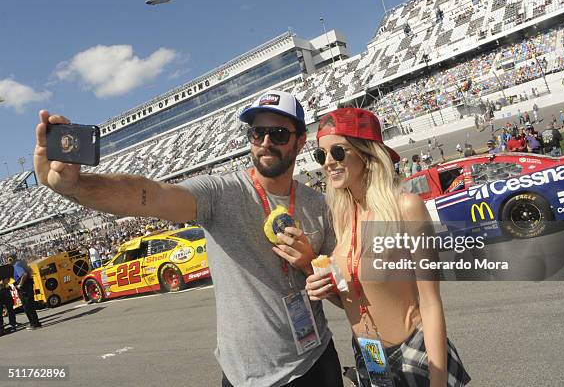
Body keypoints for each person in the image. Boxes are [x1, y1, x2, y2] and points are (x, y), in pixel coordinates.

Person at [34, 90, 343, 387]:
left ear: (300, 141)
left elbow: (343, 292)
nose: (265, 142)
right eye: (256, 132)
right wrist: (74, 185)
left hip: (315, 363)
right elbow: (149, 195)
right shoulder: (222, 193)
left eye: (278, 134)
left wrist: (308, 267)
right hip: (247, 377)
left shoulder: (318, 205)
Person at [305, 108, 470, 387]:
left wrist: (438, 381)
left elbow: (430, 303)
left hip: (415, 353)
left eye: (338, 152)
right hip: (370, 356)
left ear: (367, 153)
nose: (328, 162)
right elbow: (353, 296)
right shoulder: (341, 217)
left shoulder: (405, 208)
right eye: (321, 155)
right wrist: (324, 288)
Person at [7, 254, 41, 330]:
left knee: (27, 306)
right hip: (28, 284)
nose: (9, 261)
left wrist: (20, 285)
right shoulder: (21, 262)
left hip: (24, 287)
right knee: (30, 305)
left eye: (10, 259)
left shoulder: (16, 265)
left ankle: (34, 324)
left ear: (13, 259)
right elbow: (29, 271)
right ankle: (35, 322)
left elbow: (24, 274)